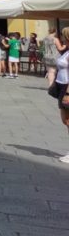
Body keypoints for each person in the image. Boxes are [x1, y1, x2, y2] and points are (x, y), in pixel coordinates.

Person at [51, 27, 69, 164]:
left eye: (63, 35)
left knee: (68, 121)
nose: (61, 38)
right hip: (62, 86)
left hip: (67, 88)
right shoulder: (66, 50)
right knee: (65, 121)